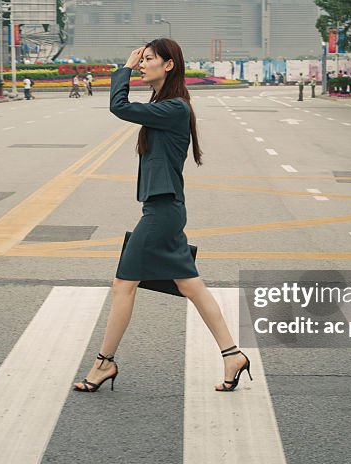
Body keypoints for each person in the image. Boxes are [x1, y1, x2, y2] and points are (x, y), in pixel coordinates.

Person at [72, 38, 250, 394]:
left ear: (168, 65)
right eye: (140, 59)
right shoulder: (166, 106)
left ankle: (104, 363)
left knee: (124, 284)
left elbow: (118, 106)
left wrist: (123, 67)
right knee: (190, 285)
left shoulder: (174, 108)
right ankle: (233, 355)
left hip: (162, 210)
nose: (141, 64)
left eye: (148, 59)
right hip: (164, 208)